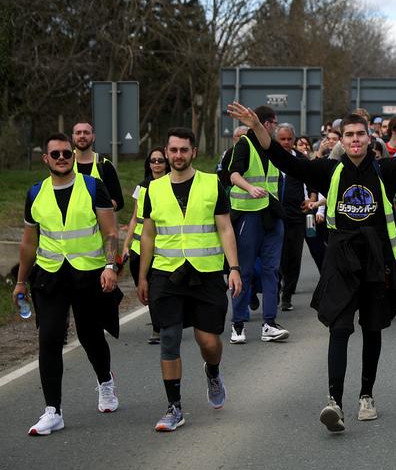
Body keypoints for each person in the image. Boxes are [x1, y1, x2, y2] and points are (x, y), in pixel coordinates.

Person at [227, 102, 396, 432]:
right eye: (348, 135)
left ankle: (367, 396)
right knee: (339, 328)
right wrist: (256, 126)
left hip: (376, 261)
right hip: (341, 261)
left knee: (373, 327)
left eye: (360, 134)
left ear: (369, 139)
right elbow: (282, 159)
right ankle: (334, 400)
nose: (354, 140)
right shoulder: (327, 170)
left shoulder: (385, 170)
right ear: (343, 140)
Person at [16, 133, 121, 436]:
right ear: (45, 159)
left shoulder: (92, 187)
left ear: (73, 156)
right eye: (56, 154)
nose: (62, 158)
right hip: (50, 276)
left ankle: (105, 382)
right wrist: (21, 281)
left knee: (90, 335)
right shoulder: (35, 193)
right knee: (48, 338)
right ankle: (53, 411)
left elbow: (110, 232)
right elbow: (28, 243)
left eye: (66, 153)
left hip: (88, 274)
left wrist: (111, 266)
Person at [138, 127, 242, 431]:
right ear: (166, 153)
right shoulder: (153, 189)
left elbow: (225, 228)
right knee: (169, 338)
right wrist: (142, 276)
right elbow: (147, 234)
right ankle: (174, 407)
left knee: (208, 342)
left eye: (184, 150)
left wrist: (233, 268)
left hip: (206, 274)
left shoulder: (212, 184)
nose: (178, 155)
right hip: (167, 275)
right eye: (173, 150)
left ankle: (213, 371)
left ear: (193, 152)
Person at [227, 105, 288, 343]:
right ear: (266, 123)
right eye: (273, 122)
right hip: (247, 214)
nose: (275, 127)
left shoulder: (272, 148)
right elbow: (233, 174)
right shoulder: (244, 144)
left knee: (271, 271)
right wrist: (250, 188)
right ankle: (238, 325)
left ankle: (269, 324)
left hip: (272, 215)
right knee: (245, 271)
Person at [122, 147, 168, 344]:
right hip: (138, 247)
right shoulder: (141, 187)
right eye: (153, 161)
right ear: (148, 164)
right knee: (145, 287)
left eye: (160, 160)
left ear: (166, 164)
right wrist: (125, 245)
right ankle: (159, 322)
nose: (156, 164)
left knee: (158, 287)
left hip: (162, 245)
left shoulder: (172, 185)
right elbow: (134, 218)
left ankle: (159, 328)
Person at [275, 123, 314, 312]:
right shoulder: (268, 159)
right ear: (276, 140)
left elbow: (313, 182)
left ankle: (287, 295)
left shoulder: (301, 160)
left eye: (289, 139)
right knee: (276, 255)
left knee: (294, 256)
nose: (286, 142)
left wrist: (311, 199)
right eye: (282, 139)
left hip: (296, 215)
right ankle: (274, 289)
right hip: (274, 215)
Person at [71, 122, 124, 211]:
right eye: (78, 133)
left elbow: (118, 202)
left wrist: (98, 208)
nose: (82, 136)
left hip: (98, 224)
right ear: (73, 137)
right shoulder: (63, 163)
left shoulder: (104, 165)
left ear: (93, 137)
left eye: (86, 133)